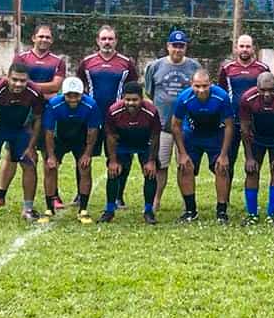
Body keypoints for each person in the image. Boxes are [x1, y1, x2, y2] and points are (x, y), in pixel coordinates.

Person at [0, 24, 65, 209]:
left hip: (47, 113)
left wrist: (29, 87)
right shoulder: (22, 58)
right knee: (12, 154)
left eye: (47, 37)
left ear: (52, 40)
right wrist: (42, 90)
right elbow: (14, 81)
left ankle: (53, 196)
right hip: (23, 112)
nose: (44, 39)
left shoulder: (58, 61)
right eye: (41, 36)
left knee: (49, 154)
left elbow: (56, 86)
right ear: (33, 38)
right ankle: (0, 195)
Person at [75, 24, 139, 210]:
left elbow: (132, 90)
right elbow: (79, 88)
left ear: (116, 41)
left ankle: (118, 196)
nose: (107, 42)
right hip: (92, 119)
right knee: (84, 155)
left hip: (118, 120)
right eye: (103, 38)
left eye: (110, 39)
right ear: (97, 41)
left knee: (121, 157)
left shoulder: (126, 63)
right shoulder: (87, 62)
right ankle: (80, 194)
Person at [0, 61, 44, 223]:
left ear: (28, 80)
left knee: (29, 163)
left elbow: (38, 120)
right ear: (7, 78)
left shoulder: (35, 92)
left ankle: (28, 209)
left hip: (21, 129)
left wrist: (31, 147)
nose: (18, 84)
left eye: (22, 80)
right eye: (14, 79)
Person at [144, 28, 201, 211]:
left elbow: (199, 92)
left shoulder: (194, 67)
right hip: (162, 126)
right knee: (160, 165)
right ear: (168, 46)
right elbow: (150, 92)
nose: (177, 49)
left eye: (181, 46)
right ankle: (155, 200)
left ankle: (187, 202)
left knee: (185, 165)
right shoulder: (155, 66)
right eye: (174, 46)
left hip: (186, 127)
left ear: (186, 47)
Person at [171, 68, 235, 223]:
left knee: (222, 169)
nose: (201, 90)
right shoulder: (184, 98)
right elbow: (175, 125)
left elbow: (229, 125)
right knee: (185, 168)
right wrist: (182, 153)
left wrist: (224, 154)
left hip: (215, 136)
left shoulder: (222, 97)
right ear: (191, 84)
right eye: (197, 86)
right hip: (192, 136)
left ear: (210, 84)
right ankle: (190, 211)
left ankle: (221, 212)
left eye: (205, 86)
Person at [217, 34, 270, 207]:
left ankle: (251, 203)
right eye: (242, 46)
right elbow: (222, 95)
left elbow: (268, 91)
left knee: (253, 163)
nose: (245, 49)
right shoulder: (227, 69)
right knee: (228, 162)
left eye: (248, 46)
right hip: (232, 122)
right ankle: (225, 200)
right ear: (236, 48)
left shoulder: (262, 69)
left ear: (253, 48)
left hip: (254, 123)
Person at [39, 77, 101, 224]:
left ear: (82, 94)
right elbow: (48, 132)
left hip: (80, 139)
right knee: (49, 168)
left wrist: (87, 154)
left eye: (76, 95)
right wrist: (51, 156)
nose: (73, 99)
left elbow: (93, 131)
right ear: (63, 94)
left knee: (85, 168)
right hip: (59, 139)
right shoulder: (54, 104)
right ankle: (49, 208)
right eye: (69, 95)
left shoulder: (91, 105)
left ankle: (83, 209)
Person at [100, 81, 162, 225]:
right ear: (123, 98)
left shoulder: (151, 111)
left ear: (142, 98)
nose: (131, 103)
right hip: (122, 143)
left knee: (151, 173)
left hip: (144, 143)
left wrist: (151, 161)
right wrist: (113, 160)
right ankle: (109, 210)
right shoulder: (113, 111)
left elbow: (155, 136)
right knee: (113, 172)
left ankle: (148, 211)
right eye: (127, 99)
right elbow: (110, 136)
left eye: (135, 100)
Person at [238, 72, 274, 224]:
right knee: (252, 172)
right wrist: (249, 157)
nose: (267, 94)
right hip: (256, 140)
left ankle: (271, 215)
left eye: (271, 90)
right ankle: (252, 215)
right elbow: (244, 128)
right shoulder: (247, 98)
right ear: (257, 87)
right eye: (263, 90)